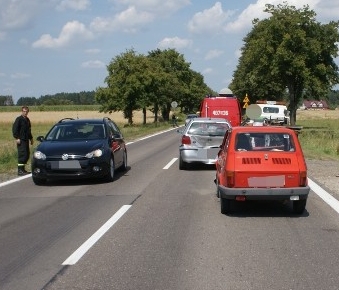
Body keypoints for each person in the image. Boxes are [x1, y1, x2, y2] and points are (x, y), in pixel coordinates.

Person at [12, 106, 33, 175]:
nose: (25, 113)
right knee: (22, 154)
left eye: (26, 111)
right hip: (21, 140)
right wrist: (17, 138)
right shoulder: (19, 119)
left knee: (27, 154)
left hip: (26, 139)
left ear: (28, 112)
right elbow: (14, 129)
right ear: (22, 111)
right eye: (24, 111)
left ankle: (23, 169)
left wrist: (31, 138)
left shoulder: (27, 120)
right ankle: (20, 170)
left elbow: (29, 130)